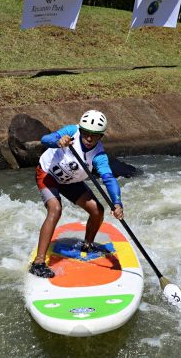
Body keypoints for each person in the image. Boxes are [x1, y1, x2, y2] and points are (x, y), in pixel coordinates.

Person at [29, 110, 124, 278]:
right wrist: (58, 141)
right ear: (81, 129)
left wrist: (117, 203)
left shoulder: (99, 155)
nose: (88, 138)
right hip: (48, 175)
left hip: (71, 182)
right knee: (55, 209)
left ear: (101, 136)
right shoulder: (72, 131)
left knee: (97, 211)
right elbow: (45, 139)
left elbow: (109, 179)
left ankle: (87, 245)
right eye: (86, 133)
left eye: (94, 136)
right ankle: (38, 263)